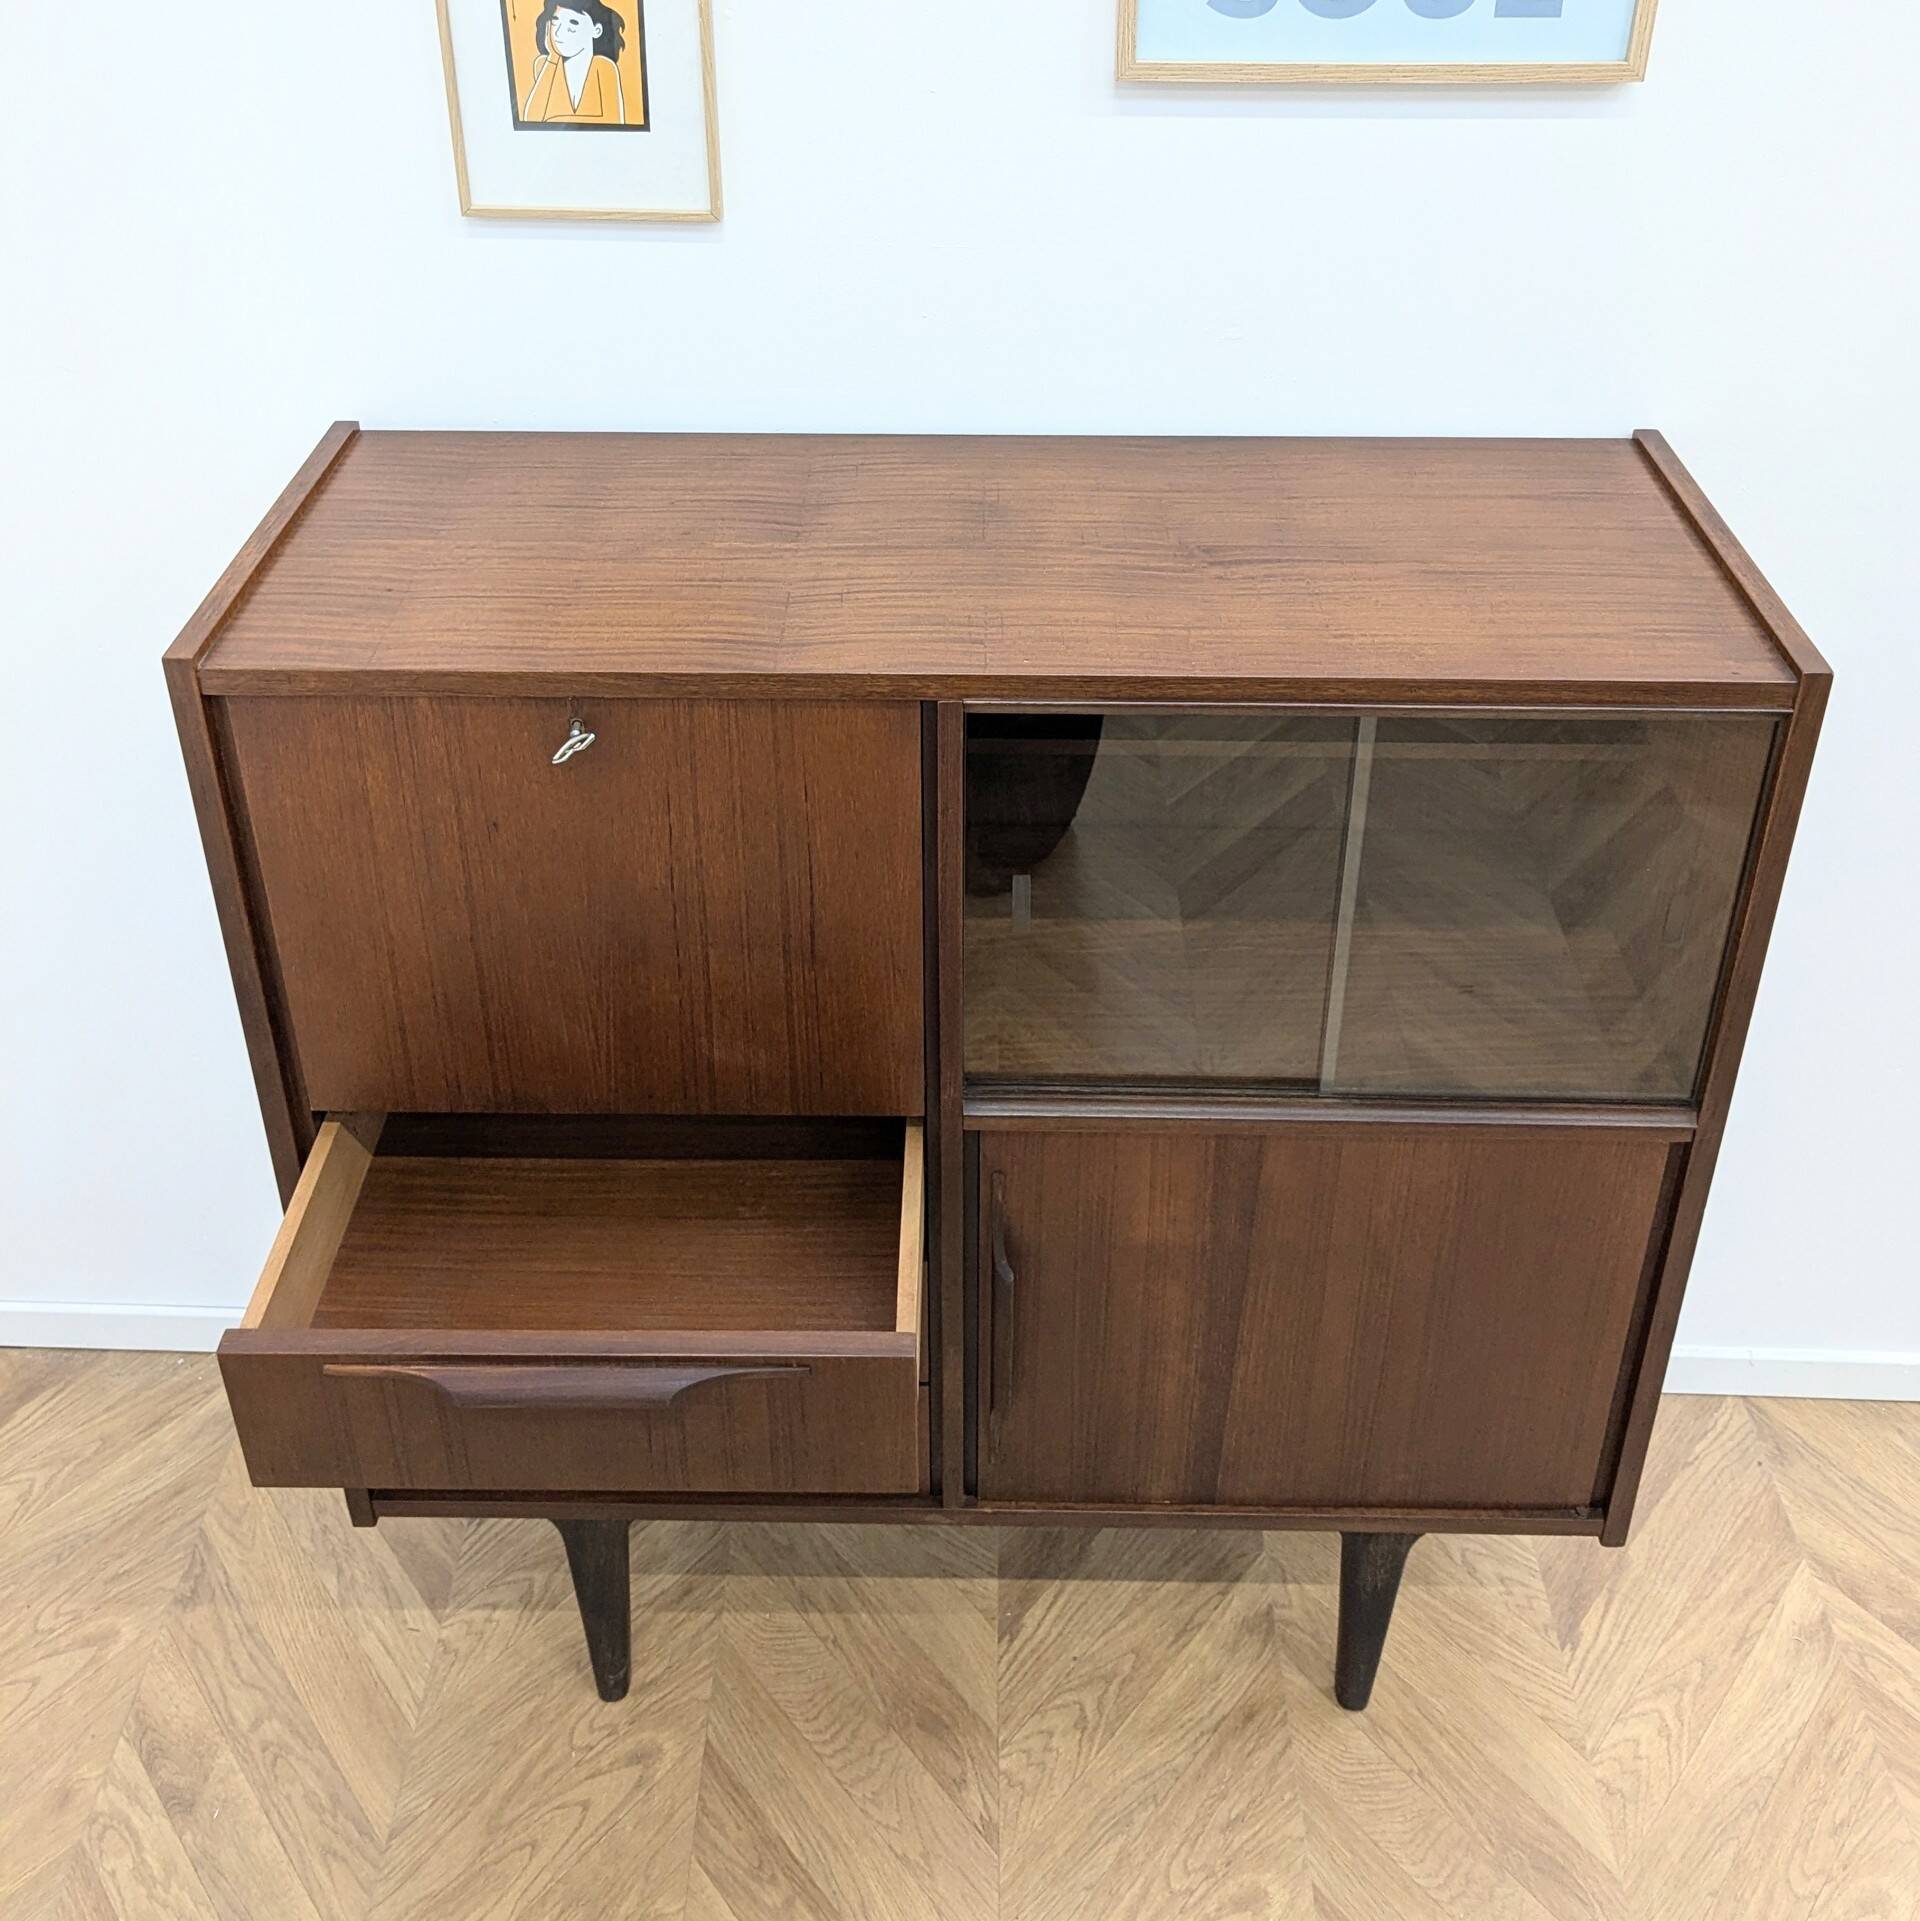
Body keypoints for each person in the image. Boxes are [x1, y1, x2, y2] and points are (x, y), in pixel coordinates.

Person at [522, 3, 629, 126]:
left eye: (573, 23)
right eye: (555, 20)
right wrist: (553, 58)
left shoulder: (604, 67)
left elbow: (614, 122)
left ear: (596, 30)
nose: (558, 33)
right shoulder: (543, 64)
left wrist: (552, 121)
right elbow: (532, 119)